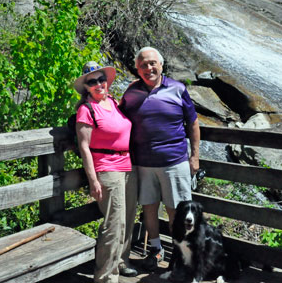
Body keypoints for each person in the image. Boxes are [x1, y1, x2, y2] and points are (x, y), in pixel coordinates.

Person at [120, 47, 200, 271]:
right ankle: (155, 250)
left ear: (161, 65)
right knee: (149, 208)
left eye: (152, 63)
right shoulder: (131, 93)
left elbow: (193, 123)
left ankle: (180, 254)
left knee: (177, 211)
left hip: (174, 162)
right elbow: (118, 119)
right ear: (137, 69)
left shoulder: (177, 89)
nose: (148, 68)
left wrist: (195, 156)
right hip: (142, 163)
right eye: (143, 65)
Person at [73, 61, 138, 283]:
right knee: (114, 223)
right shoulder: (86, 109)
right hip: (107, 169)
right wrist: (93, 180)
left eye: (101, 79)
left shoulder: (113, 102)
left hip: (128, 166)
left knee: (128, 219)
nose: (99, 84)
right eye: (92, 82)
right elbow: (84, 147)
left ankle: (121, 261)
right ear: (86, 87)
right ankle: (105, 277)